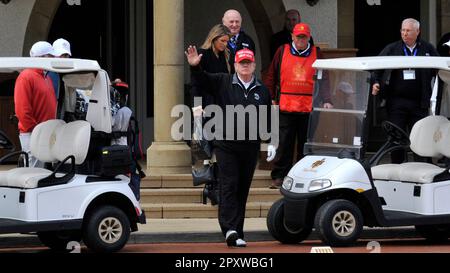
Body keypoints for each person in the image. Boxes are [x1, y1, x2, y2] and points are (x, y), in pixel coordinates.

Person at [185, 46, 274, 247]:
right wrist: (195, 67)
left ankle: (237, 231)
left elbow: (269, 118)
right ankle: (229, 229)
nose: (244, 66)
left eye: (248, 63)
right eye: (241, 63)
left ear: (253, 65)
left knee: (242, 188)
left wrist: (271, 141)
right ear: (235, 65)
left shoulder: (262, 89)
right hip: (225, 143)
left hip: (250, 146)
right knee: (229, 184)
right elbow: (201, 81)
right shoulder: (223, 81)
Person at [264, 23, 333, 189]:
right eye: (298, 36)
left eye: (304, 37)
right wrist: (271, 96)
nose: (301, 39)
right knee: (284, 143)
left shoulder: (317, 54)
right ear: (292, 37)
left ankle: (303, 175)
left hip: (309, 107)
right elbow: (271, 74)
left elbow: (324, 78)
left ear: (308, 37)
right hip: (285, 106)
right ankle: (279, 176)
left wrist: (327, 99)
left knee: (306, 144)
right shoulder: (282, 51)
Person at [371, 18, 439, 163]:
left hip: (419, 102)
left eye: (408, 30)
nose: (405, 33)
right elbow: (376, 66)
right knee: (396, 138)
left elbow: (438, 69)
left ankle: (421, 168)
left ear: (417, 32)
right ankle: (397, 169)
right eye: (403, 30)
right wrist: (376, 82)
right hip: (396, 102)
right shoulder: (392, 48)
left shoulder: (427, 48)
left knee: (420, 138)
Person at [15, 41, 57, 167]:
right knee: (34, 171)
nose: (53, 59)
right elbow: (22, 110)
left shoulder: (46, 77)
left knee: (42, 171)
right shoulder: (26, 76)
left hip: (44, 132)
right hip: (32, 133)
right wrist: (36, 130)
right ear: (41, 57)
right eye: (50, 56)